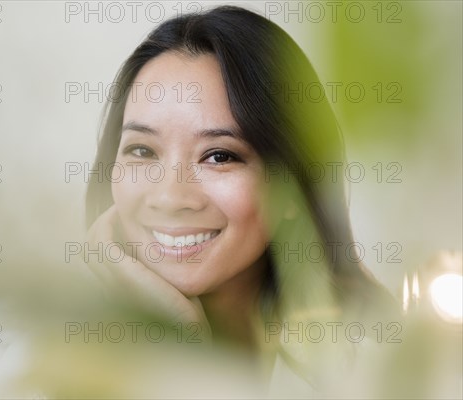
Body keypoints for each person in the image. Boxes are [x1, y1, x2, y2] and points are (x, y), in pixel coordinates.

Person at [84, 4, 397, 390]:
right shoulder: (46, 365)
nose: (170, 196)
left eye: (220, 156)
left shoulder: (383, 366)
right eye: (143, 151)